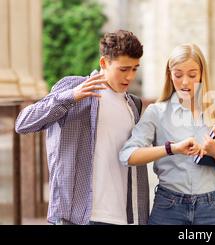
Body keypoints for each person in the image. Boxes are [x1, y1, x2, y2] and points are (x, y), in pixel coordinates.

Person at [15, 30, 149, 225]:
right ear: (104, 63)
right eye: (123, 69)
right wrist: (71, 96)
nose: (130, 76)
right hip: (78, 216)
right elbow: (22, 123)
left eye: (135, 69)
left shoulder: (133, 104)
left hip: (121, 216)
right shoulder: (74, 87)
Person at [119, 43, 215, 225]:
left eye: (192, 75)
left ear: (202, 74)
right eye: (178, 75)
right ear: (169, 75)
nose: (185, 82)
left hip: (211, 208)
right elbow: (127, 155)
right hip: (168, 207)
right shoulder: (156, 112)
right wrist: (172, 149)